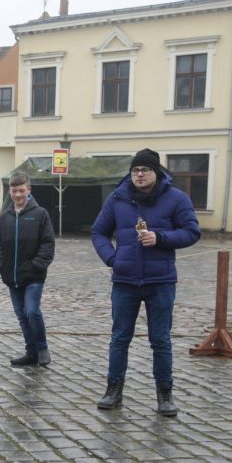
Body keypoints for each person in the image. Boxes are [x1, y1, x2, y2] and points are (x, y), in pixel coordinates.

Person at [91, 148, 201, 417]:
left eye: (145, 170)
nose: (139, 174)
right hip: (125, 280)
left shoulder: (176, 198)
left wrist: (160, 238)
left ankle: (165, 394)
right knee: (119, 338)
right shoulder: (118, 198)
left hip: (160, 281)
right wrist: (112, 259)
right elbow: (99, 232)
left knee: (160, 340)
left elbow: (191, 231)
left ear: (157, 172)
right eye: (135, 170)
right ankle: (113, 390)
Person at [0, 170, 56, 367]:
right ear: (9, 192)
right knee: (21, 315)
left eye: (21, 190)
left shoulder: (40, 214)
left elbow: (48, 244)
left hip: (34, 276)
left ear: (29, 190)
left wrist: (36, 265)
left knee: (31, 311)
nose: (18, 195)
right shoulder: (4, 217)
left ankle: (42, 348)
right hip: (12, 276)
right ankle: (31, 352)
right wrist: (1, 267)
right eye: (14, 191)